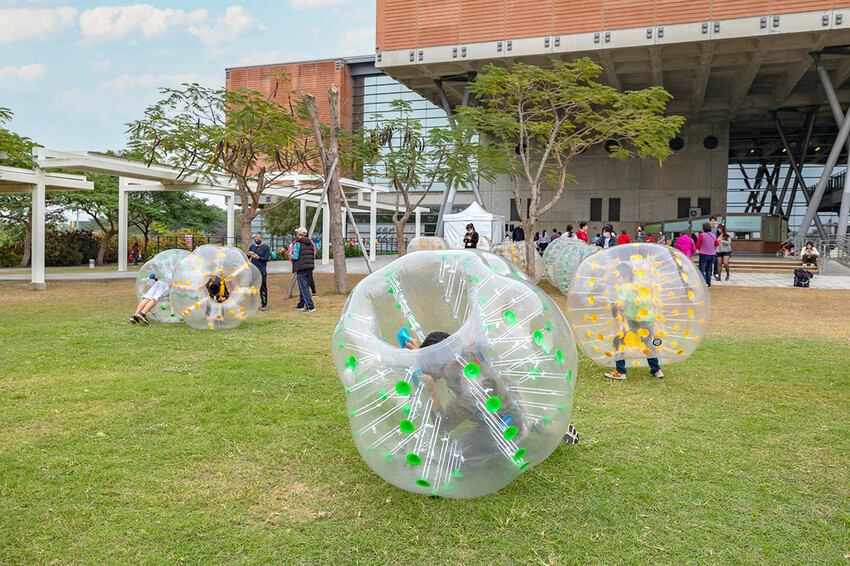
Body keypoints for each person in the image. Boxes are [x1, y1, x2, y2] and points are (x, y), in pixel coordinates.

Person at [406, 331, 580, 445]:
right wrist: (422, 352)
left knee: (458, 455)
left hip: (503, 423)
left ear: (450, 365)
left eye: (435, 366)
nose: (436, 373)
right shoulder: (462, 353)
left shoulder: (471, 388)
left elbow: (442, 426)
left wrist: (433, 392)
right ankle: (532, 422)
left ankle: (526, 427)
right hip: (508, 398)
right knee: (512, 412)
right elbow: (441, 359)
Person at [604, 265, 664, 380]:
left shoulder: (623, 288)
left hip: (635, 320)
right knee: (647, 344)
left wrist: (614, 306)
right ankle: (656, 370)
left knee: (618, 341)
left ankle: (620, 372)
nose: (615, 279)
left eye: (617, 276)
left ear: (626, 276)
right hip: (648, 318)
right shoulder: (637, 286)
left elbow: (622, 306)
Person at [291, 227, 316, 312]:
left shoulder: (297, 244)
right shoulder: (311, 243)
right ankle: (301, 305)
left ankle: (310, 306)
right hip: (310, 267)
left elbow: (295, 256)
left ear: (299, 234)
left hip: (301, 268)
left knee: (303, 288)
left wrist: (290, 254)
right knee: (305, 288)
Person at [247, 232, 270, 311]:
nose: (256, 241)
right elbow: (247, 257)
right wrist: (249, 254)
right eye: (255, 239)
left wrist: (258, 257)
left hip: (261, 269)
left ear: (262, 239)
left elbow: (266, 258)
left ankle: (264, 304)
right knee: (252, 286)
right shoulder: (252, 247)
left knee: (262, 287)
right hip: (253, 269)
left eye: (258, 239)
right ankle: (252, 304)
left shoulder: (266, 247)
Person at [696, 222, 718, 287]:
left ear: (703, 228)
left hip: (704, 254)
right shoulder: (713, 235)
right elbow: (717, 244)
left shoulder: (702, 235)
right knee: (708, 270)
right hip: (712, 254)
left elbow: (697, 245)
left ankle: (704, 283)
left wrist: (701, 248)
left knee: (702, 270)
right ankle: (709, 284)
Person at [709, 216, 720, 281]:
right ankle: (709, 273)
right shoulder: (709, 228)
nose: (712, 222)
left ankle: (716, 273)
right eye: (711, 221)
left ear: (716, 221)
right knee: (710, 260)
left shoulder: (718, 228)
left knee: (716, 261)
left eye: (714, 221)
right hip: (710, 247)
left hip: (717, 247)